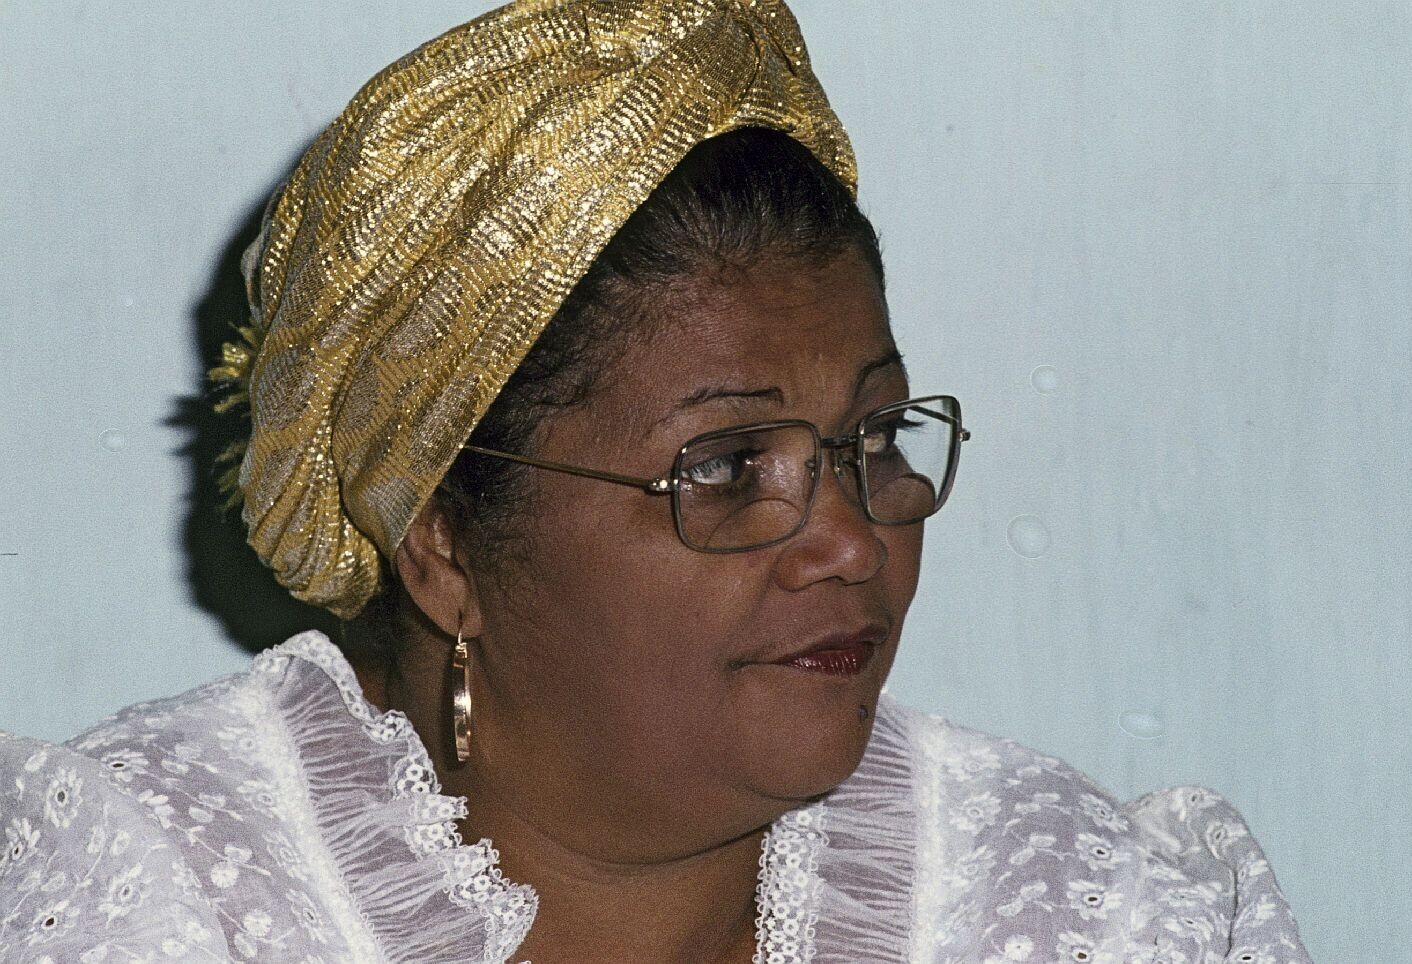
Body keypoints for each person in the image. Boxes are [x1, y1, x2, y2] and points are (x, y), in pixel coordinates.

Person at [0, 1, 1311, 961]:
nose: (852, 542)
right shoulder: (153, 903)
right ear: (444, 544)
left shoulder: (1082, 913)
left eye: (873, 440)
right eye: (729, 467)